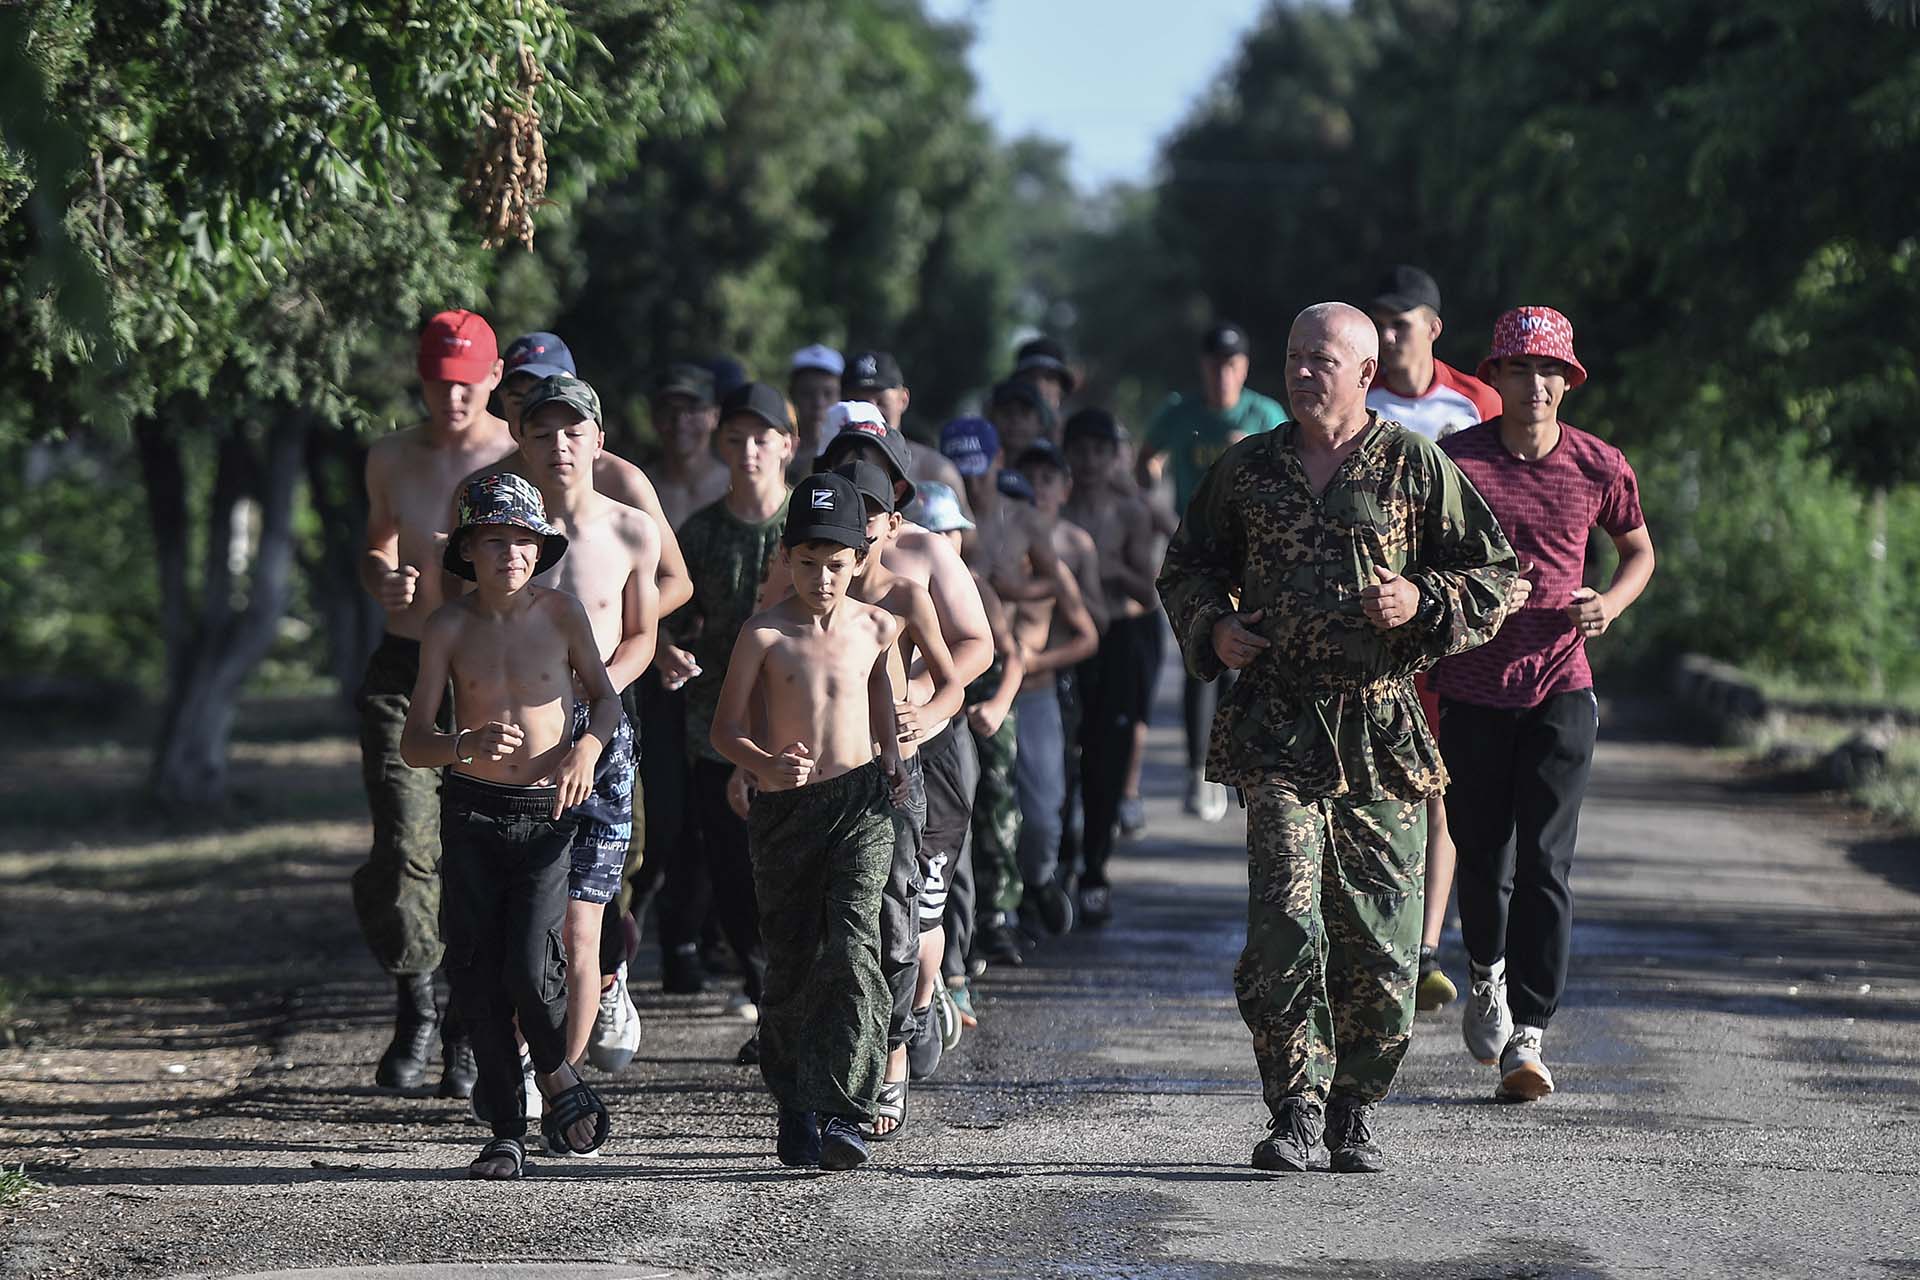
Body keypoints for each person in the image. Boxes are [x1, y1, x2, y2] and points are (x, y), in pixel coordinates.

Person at [1158, 302, 1517, 1174]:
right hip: (1277, 722)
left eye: (1322, 359)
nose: (1302, 372)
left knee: (1381, 941)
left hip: (1380, 731)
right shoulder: (1247, 471)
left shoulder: (1413, 466)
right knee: (1285, 915)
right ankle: (1295, 1106)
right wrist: (1214, 627)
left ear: (1365, 374)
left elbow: (1498, 575)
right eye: (1294, 357)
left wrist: (1421, 601)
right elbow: (1186, 566)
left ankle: (1357, 1105)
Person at [1434, 307, 1655, 1103]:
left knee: (1547, 864)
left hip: (1563, 685)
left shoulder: (1598, 464)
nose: (1536, 384)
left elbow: (1638, 548)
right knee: (1483, 851)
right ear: (1493, 379)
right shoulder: (1454, 463)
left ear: (1569, 382)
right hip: (1471, 690)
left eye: (1549, 371)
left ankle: (1529, 1032)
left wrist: (1611, 605)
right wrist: (1474, 593)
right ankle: (1484, 972)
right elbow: (1417, 553)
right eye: (1520, 369)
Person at [400, 472, 620, 1178]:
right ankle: (505, 1129)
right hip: (469, 812)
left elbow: (606, 702)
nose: (511, 555)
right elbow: (414, 741)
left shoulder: (561, 615)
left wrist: (586, 746)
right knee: (475, 971)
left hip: (546, 815)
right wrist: (462, 745)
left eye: (524, 541)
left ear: (540, 550)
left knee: (531, 960)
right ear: (469, 549)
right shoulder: (448, 626)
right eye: (496, 541)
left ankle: (556, 1072)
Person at [710, 469, 909, 1172]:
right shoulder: (764, 634)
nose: (821, 578)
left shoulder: (880, 626)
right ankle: (795, 1100)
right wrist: (762, 762)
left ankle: (845, 1111)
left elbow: (883, 701)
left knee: (854, 949)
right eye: (806, 563)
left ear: (858, 562)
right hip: (786, 811)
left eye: (834, 565)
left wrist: (894, 755)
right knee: (792, 960)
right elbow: (723, 730)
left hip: (860, 806)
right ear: (786, 559)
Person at [808, 408, 994, 1116]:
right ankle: (855, 1044)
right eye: (846, 466)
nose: (860, 486)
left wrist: (918, 698)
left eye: (875, 470)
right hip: (835, 757)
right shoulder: (809, 554)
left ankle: (914, 1010)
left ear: (898, 491)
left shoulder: (925, 557)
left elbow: (975, 645)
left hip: (928, 747)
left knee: (913, 908)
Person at [354, 310, 516, 1096]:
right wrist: (382, 575)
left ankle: (466, 1022)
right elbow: (380, 539)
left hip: (488, 671)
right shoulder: (390, 456)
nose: (451, 398)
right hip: (403, 663)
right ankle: (415, 998)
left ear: (491, 380)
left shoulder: (519, 460)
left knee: (477, 853)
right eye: (436, 383)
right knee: (403, 843)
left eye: (465, 384)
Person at [492, 373, 660, 1075]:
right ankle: (517, 1060)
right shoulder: (503, 536)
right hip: (520, 741)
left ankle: (561, 1079)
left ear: (597, 440)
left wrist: (597, 698)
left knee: (583, 927)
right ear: (520, 441)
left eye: (572, 431)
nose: (558, 444)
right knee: (523, 926)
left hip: (603, 738)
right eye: (542, 431)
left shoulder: (630, 528)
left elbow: (642, 635)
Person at [1362, 267, 1506, 1013]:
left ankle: (1424, 949)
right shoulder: (1360, 401)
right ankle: (1372, 937)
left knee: (1441, 786)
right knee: (1376, 783)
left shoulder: (1474, 403)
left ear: (1433, 327)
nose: (1389, 336)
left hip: (1449, 624)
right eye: (1378, 322)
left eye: (1401, 322)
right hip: (1375, 625)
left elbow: (1502, 506)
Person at [829, 460, 966, 1122]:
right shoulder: (802, 585)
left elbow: (958, 673)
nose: (853, 526)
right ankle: (829, 1069)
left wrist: (927, 710)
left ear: (890, 522)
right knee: (825, 930)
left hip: (894, 776)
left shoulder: (908, 593)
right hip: (821, 780)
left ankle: (892, 1057)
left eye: (868, 511)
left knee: (893, 927)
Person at [668, 381, 794, 1045]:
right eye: (737, 438)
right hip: (717, 725)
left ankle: (790, 1000)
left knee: (791, 864)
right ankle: (759, 985)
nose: (749, 450)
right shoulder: (702, 532)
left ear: (787, 446)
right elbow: (662, 611)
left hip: (801, 722)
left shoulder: (810, 525)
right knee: (732, 867)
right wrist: (666, 650)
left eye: (762, 438)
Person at [1139, 321, 1288, 823]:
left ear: (1243, 367)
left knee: (1247, 659)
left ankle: (1246, 767)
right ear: (1203, 367)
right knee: (1201, 657)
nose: (1223, 373)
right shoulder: (1181, 413)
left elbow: (1295, 471)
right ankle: (1197, 769)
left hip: (1253, 554)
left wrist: (1257, 450)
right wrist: (1165, 519)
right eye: (1214, 364)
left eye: (1232, 364)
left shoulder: (1264, 414)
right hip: (1200, 554)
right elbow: (1146, 460)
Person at [916, 481, 1026, 973]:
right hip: (906, 728)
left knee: (954, 845)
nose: (942, 540)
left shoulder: (975, 586)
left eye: (950, 531)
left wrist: (999, 704)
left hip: (960, 724)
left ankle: (956, 968)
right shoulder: (895, 582)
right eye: (932, 529)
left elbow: (1011, 653)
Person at [1060, 408, 1162, 927]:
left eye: (1101, 451)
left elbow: (1150, 592)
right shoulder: (1054, 509)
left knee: (1106, 762)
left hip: (1118, 638)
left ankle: (1094, 872)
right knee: (1062, 759)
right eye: (1081, 451)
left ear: (1114, 455)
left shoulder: (1131, 513)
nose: (1091, 461)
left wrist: (1109, 565)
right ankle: (1055, 869)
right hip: (1062, 638)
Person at [1002, 443, 1100, 937]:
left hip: (1037, 696)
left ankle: (1039, 880)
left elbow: (1088, 635)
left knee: (1043, 813)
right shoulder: (978, 555)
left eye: (1047, 480)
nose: (1035, 492)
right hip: (981, 699)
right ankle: (996, 910)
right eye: (1026, 481)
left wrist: (1035, 661)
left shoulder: (1056, 567)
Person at [843, 349, 972, 511]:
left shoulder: (935, 471)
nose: (872, 412)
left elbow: (966, 534)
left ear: (903, 400)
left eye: (881, 401)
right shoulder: (825, 464)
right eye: (860, 403)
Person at [786, 344, 844, 483]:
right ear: (792, 394)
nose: (818, 403)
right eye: (807, 393)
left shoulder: (848, 453)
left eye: (828, 393)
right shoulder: (774, 450)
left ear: (841, 395)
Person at [1009, 335, 1076, 414]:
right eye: (1030, 377)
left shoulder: (1076, 425)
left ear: (1061, 389)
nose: (1039, 386)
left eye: (1049, 378)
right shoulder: (997, 423)